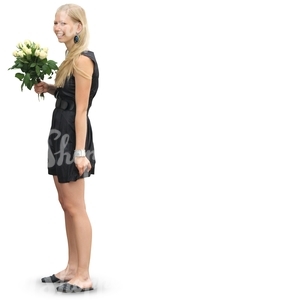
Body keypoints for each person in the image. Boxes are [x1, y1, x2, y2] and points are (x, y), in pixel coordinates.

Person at [34, 3, 98, 293]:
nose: (58, 27)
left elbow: (81, 109)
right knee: (66, 205)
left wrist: (81, 152)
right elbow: (69, 97)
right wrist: (50, 88)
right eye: (55, 22)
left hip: (73, 138)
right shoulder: (69, 57)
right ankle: (71, 267)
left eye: (64, 23)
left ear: (78, 28)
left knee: (76, 207)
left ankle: (83, 275)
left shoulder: (83, 60)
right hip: (59, 133)